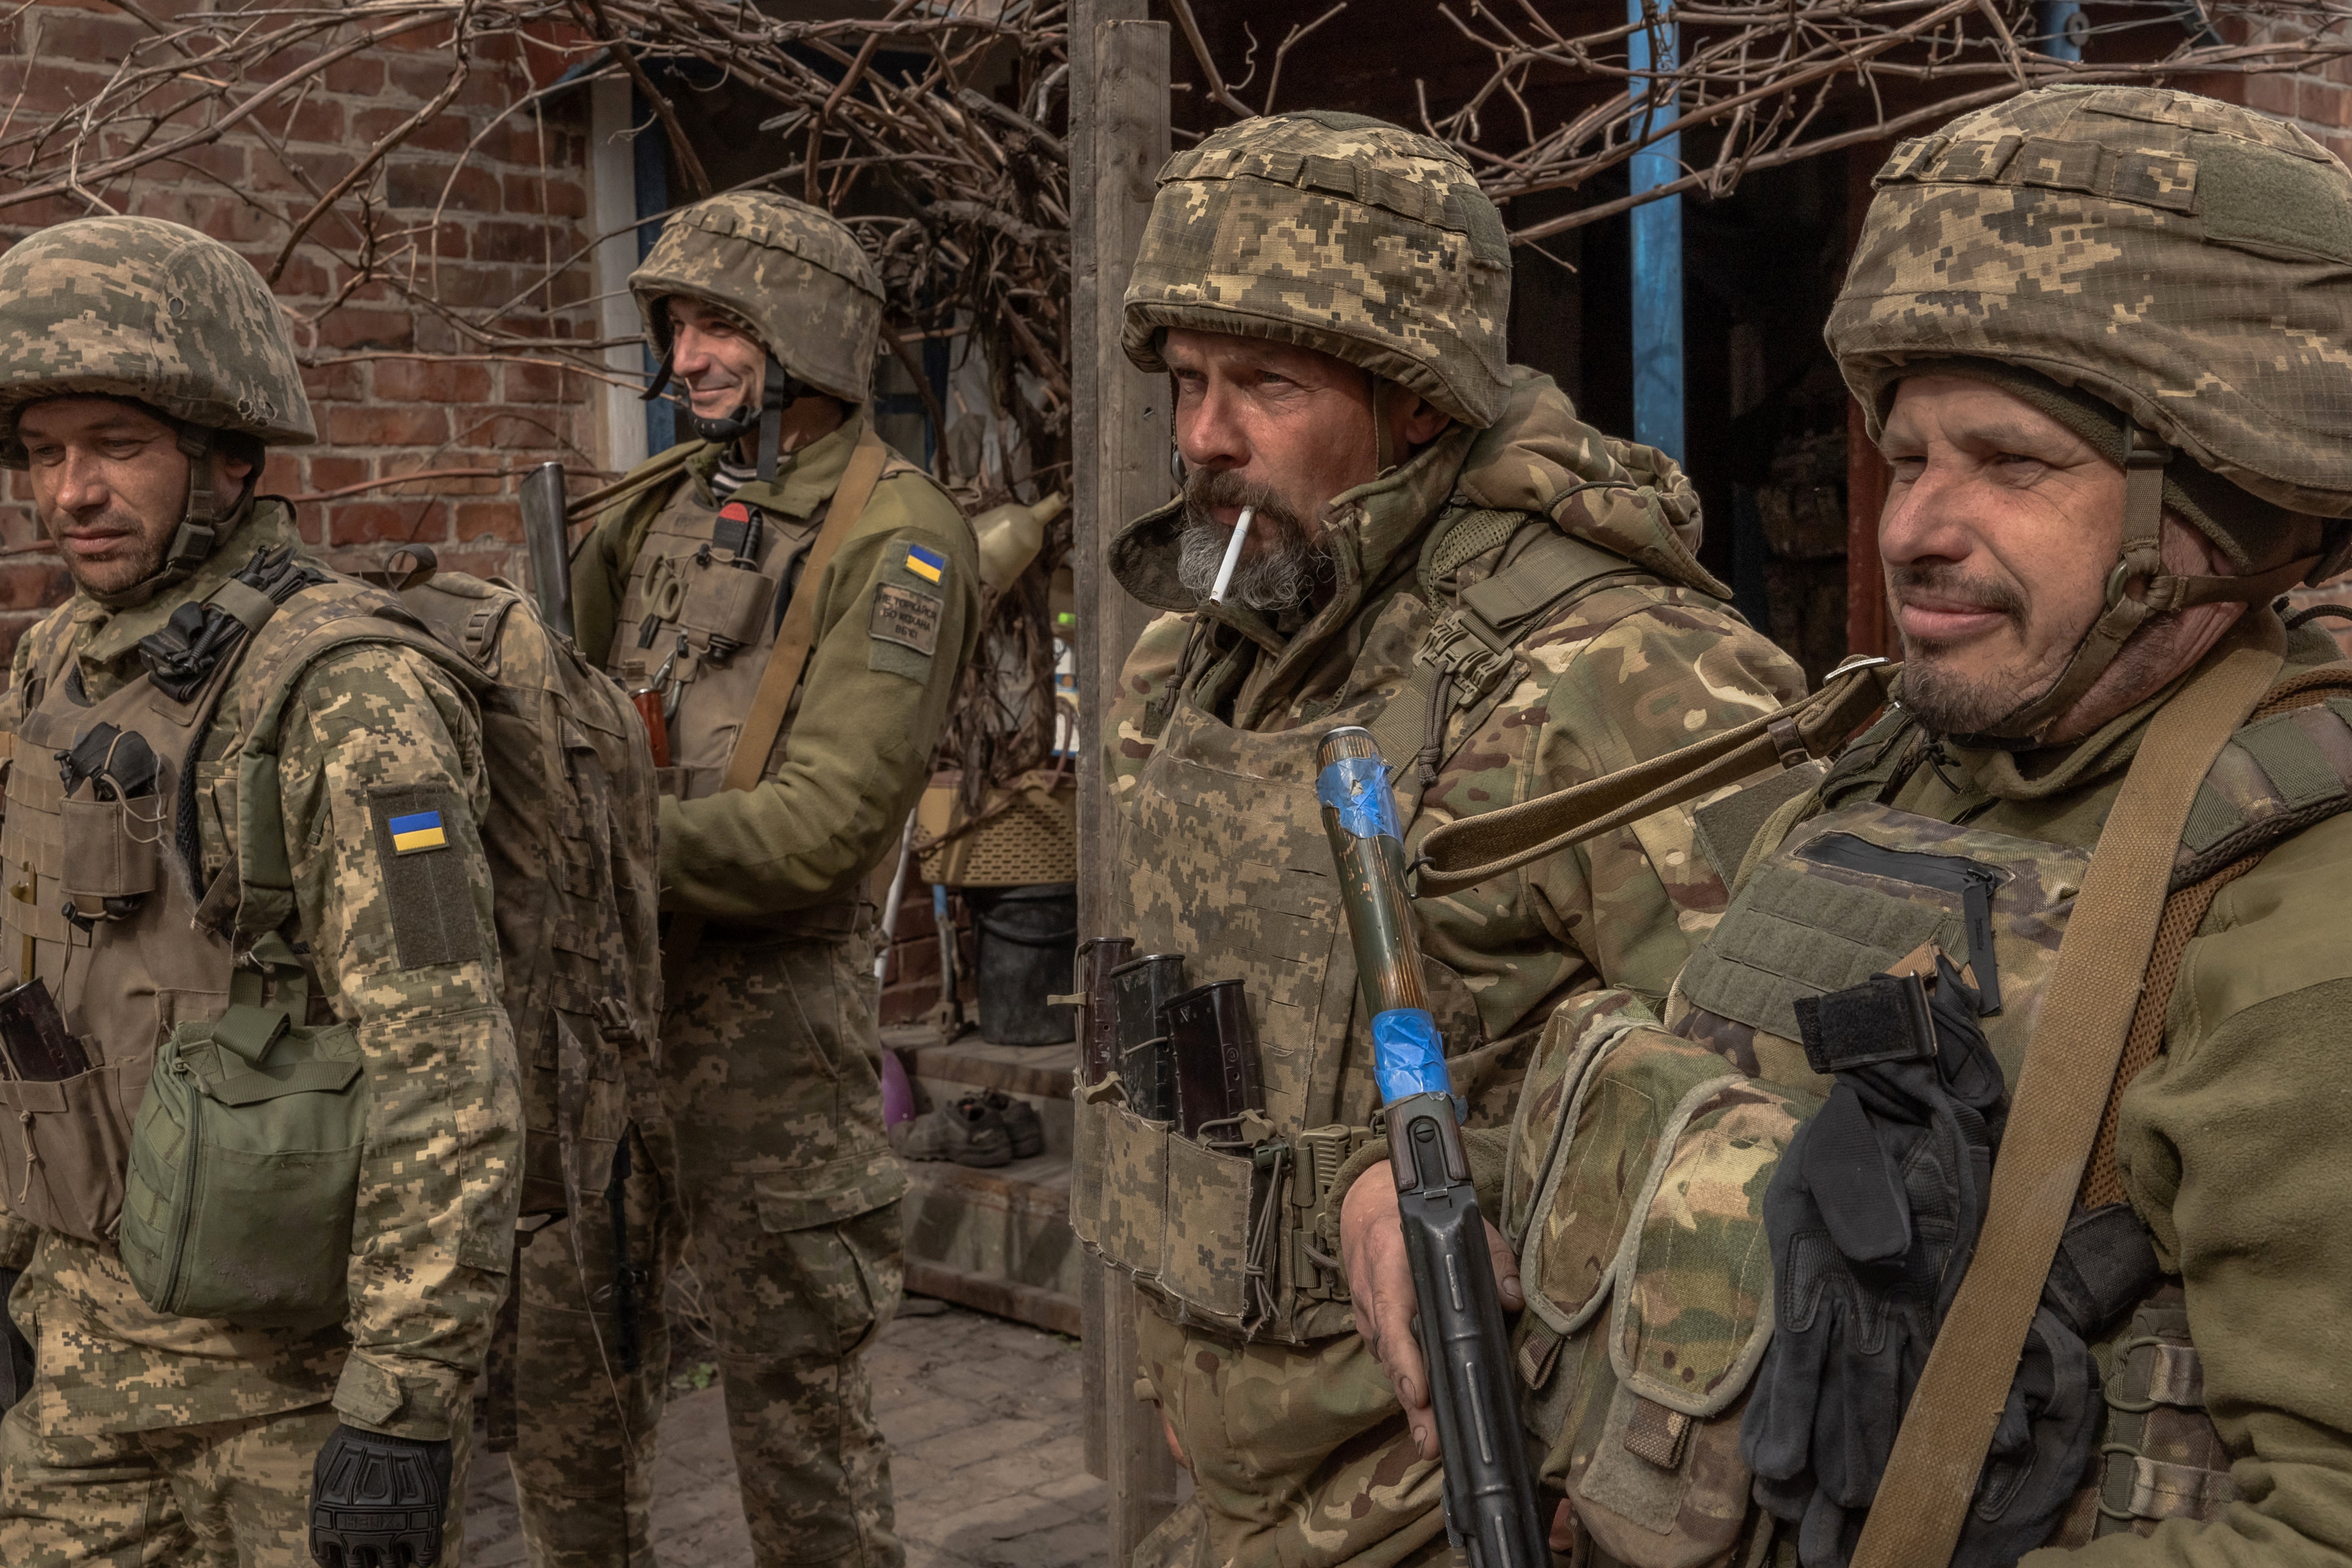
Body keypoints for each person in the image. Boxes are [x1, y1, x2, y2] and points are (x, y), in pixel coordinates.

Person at [1345, 84, 2352, 1567]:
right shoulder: (1895, 769)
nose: (1910, 525)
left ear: (2217, 504)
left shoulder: (2291, 917)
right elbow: (1732, 1102)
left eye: (2011, 464)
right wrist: (1411, 1191)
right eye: (1911, 448)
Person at [1087, 110, 1806, 1568]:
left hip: (1455, 1497)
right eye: (1188, 382)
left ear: (1417, 400)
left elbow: (1804, 1125)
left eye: (1266, 385)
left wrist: (1437, 1172)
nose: (1205, 436)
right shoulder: (1202, 656)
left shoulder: (1617, 674)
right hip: (1231, 1484)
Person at [0, 216, 518, 1564]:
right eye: (45, 453)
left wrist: (402, 1402)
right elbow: (36, 983)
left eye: (115, 445)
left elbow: (445, 1068)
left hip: (291, 1389)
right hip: (80, 1356)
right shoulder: (52, 663)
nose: (73, 492)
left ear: (228, 454)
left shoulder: (347, 697)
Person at [568, 190, 979, 1568]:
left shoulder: (898, 534)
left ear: (807, 332)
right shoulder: (656, 508)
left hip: (770, 1050)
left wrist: (601, 846)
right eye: (677, 323)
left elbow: (827, 825)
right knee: (572, 1399)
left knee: (798, 1431)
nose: (685, 355)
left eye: (720, 322)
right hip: (611, 1021)